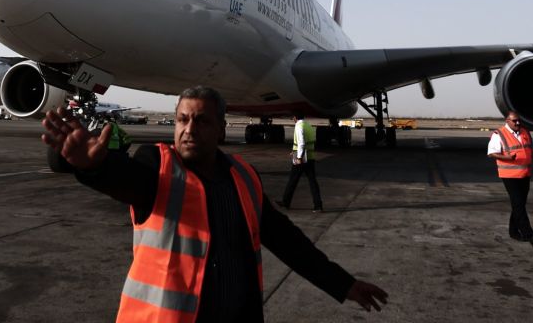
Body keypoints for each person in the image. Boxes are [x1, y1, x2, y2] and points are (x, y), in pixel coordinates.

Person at [41, 86, 388, 321]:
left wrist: (343, 284)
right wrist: (95, 167)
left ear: (221, 130)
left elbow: (287, 241)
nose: (188, 129)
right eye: (182, 120)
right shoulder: (157, 167)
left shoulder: (244, 177)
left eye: (201, 120)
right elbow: (127, 180)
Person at [487, 110, 533, 247]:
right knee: (518, 204)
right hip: (509, 175)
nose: (517, 123)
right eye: (514, 121)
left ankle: (513, 231)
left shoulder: (525, 132)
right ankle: (529, 235)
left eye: (518, 120)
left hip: (525, 174)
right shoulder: (499, 134)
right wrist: (507, 158)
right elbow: (492, 153)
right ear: (507, 121)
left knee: (519, 205)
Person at [278, 113, 323, 212]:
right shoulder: (308, 125)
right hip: (310, 157)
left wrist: (298, 157)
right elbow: (306, 142)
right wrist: (294, 151)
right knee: (313, 182)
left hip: (302, 159)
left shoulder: (298, 126)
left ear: (295, 117)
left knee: (292, 180)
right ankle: (318, 205)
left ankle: (285, 202)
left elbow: (301, 143)